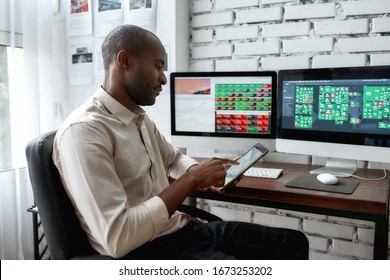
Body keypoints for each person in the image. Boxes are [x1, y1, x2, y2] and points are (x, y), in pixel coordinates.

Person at [52, 24, 309, 260]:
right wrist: (192, 180)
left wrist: (200, 172)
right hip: (147, 252)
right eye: (158, 66)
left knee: (294, 243)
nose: (164, 78)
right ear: (124, 61)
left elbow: (173, 159)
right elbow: (117, 239)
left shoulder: (138, 118)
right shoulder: (85, 132)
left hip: (183, 231)